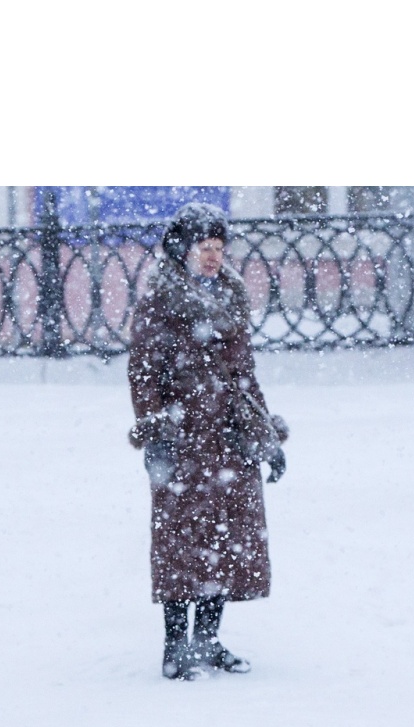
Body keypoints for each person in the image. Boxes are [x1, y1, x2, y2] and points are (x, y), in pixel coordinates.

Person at [127, 202, 289, 681]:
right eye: (205, 247)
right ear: (183, 249)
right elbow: (143, 374)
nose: (214, 256)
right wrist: (156, 432)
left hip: (229, 437)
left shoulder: (231, 296)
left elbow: (244, 375)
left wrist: (265, 435)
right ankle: (176, 649)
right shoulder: (161, 299)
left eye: (219, 248)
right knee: (183, 542)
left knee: (227, 539)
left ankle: (208, 639)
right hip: (183, 439)